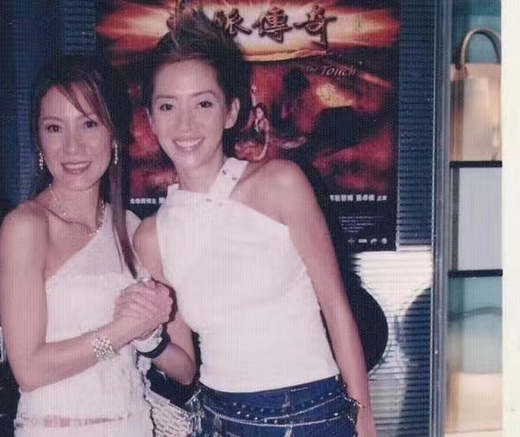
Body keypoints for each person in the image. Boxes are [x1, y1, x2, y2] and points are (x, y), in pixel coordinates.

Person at [133, 11, 377, 437]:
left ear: (231, 111)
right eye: (168, 106)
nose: (185, 124)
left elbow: (336, 304)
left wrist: (364, 419)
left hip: (311, 416)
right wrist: (143, 336)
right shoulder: (152, 236)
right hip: (217, 421)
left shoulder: (280, 183)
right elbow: (185, 367)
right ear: (151, 119)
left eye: (203, 103)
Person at [0, 55, 193, 437]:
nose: (72, 147)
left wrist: (149, 340)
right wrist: (120, 333)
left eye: (88, 124)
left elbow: (185, 369)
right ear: (39, 139)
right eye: (54, 128)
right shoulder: (27, 227)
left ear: (113, 133)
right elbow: (30, 370)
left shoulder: (136, 231)